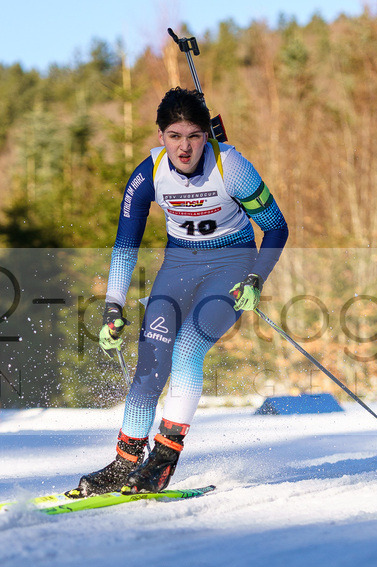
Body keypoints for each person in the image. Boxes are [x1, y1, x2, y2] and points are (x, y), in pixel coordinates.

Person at [68, 87, 289, 497]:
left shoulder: (232, 167)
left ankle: (163, 460)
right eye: (174, 136)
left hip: (232, 266)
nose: (183, 147)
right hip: (179, 268)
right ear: (160, 135)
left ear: (206, 135)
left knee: (188, 348)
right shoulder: (148, 175)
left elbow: (276, 226)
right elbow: (125, 245)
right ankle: (125, 462)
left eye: (193, 136)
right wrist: (113, 307)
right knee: (151, 362)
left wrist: (257, 277)